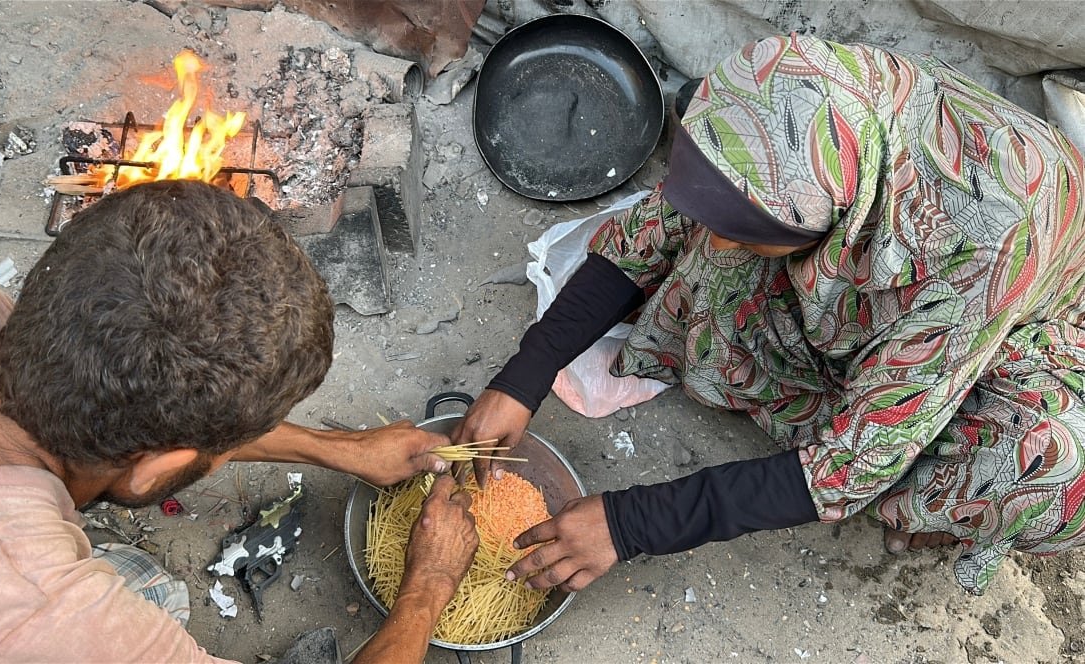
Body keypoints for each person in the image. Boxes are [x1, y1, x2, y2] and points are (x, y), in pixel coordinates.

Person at [453, 33, 1085, 597]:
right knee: (713, 251)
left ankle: (933, 508)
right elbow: (645, 239)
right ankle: (828, 394)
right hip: (887, 277)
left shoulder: (987, 244)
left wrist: (628, 523)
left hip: (1011, 334)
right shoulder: (780, 114)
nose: (717, 245)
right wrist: (522, 378)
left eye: (747, 231)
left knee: (1048, 463)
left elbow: (857, 460)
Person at [0, 180, 478, 663]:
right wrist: (429, 586)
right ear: (154, 470)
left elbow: (133, 410)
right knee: (154, 594)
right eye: (225, 450)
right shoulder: (58, 619)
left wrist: (337, 448)